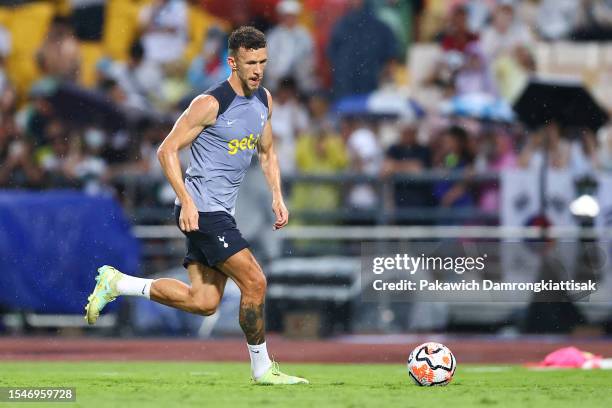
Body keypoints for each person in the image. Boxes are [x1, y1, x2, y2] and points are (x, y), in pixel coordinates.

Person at [84, 26, 308, 385]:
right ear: (232, 62)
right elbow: (166, 149)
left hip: (220, 211)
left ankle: (118, 283)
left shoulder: (264, 100)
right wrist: (187, 201)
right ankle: (263, 369)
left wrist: (277, 195)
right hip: (202, 210)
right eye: (250, 63)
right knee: (255, 282)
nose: (257, 70)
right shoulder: (210, 103)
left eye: (263, 62)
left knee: (203, 301)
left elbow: (267, 152)